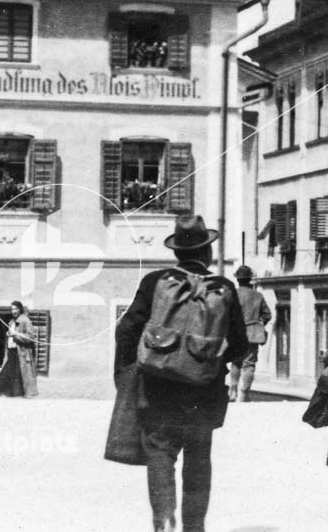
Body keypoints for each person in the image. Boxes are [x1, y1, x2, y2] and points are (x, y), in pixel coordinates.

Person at [115, 213, 249, 532]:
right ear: (208, 252)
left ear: (176, 251)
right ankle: (194, 527)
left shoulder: (154, 282)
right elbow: (241, 345)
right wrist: (213, 361)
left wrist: (127, 373)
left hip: (157, 387)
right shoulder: (224, 288)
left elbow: (126, 330)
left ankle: (163, 521)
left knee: (160, 455)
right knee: (198, 461)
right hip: (204, 391)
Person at [227, 265, 272, 403]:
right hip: (252, 335)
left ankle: (233, 391)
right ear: (250, 279)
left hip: (236, 334)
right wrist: (258, 324)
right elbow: (267, 315)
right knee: (249, 364)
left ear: (237, 279)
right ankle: (245, 394)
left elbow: (226, 315)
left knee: (236, 362)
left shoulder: (232, 294)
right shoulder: (258, 295)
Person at [0, 301, 38, 397]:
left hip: (20, 353)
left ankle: (17, 396)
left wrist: (16, 335)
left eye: (16, 309)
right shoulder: (12, 322)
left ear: (20, 309)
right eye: (12, 309)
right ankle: (8, 395)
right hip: (11, 351)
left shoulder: (25, 320)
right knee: (7, 375)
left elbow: (31, 337)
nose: (14, 311)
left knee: (18, 377)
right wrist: (9, 335)